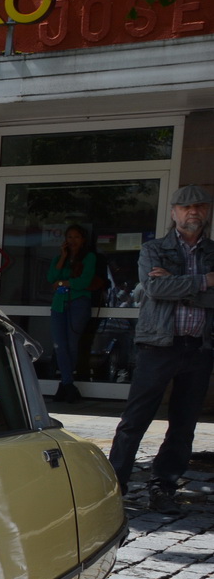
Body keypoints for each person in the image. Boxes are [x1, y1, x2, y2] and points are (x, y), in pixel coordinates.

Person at [107, 184, 214, 515]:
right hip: (158, 345)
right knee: (134, 419)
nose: (192, 211)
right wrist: (205, 281)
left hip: (199, 348)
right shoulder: (154, 249)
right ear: (173, 213)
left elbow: (169, 289)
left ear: (207, 212)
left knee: (183, 425)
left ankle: (163, 486)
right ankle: (115, 485)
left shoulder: (212, 252)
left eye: (198, 206)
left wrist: (176, 284)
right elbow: (152, 286)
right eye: (184, 207)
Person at [46, 225, 95, 403]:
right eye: (70, 237)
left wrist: (63, 283)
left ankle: (66, 384)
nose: (73, 241)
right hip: (59, 304)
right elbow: (51, 278)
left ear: (83, 240)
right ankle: (67, 383)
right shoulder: (60, 258)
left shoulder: (89, 258)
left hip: (78, 303)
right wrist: (63, 258)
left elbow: (83, 281)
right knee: (59, 345)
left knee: (72, 344)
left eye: (76, 237)